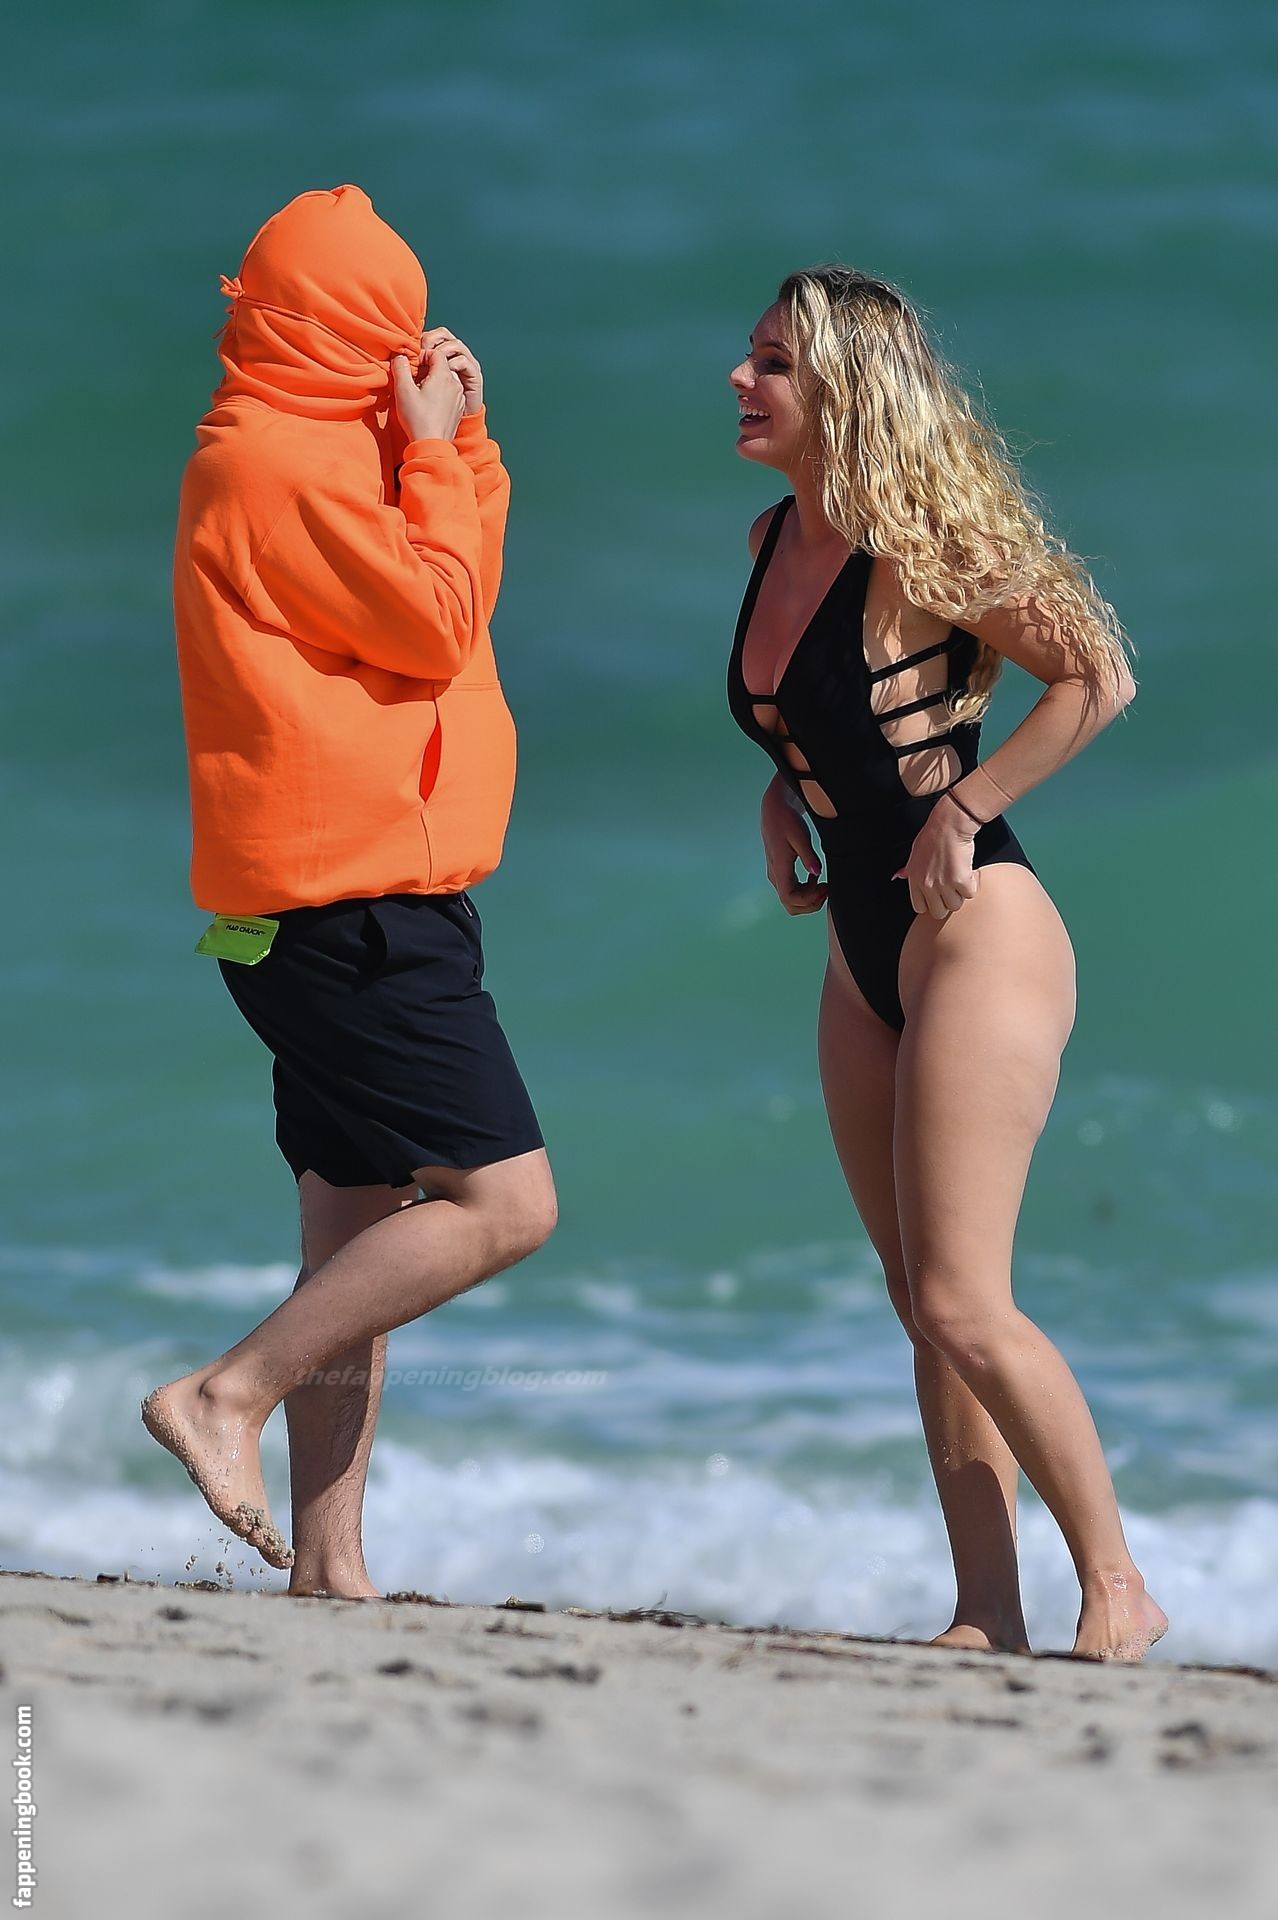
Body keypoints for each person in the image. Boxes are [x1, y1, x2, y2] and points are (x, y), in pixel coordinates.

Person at [726, 265, 1166, 1660]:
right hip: (860, 949)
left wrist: (965, 810)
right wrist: (783, 791)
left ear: (846, 390)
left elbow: (1094, 676)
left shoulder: (914, 547)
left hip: (978, 935)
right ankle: (986, 1610)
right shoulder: (769, 538)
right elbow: (809, 714)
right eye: (750, 356)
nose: (742, 380)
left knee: (965, 1300)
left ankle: (1118, 1588)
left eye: (775, 364)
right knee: (920, 1304)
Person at [143, 185, 556, 1597]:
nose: (406, 359)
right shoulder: (273, 465)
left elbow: (452, 585)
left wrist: (462, 447)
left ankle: (330, 1564)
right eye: (389, 332)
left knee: (355, 1238)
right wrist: (433, 451)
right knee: (505, 1206)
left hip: (339, 900)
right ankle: (226, 1394)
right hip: (350, 904)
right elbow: (437, 624)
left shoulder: (324, 448)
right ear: (341, 332)